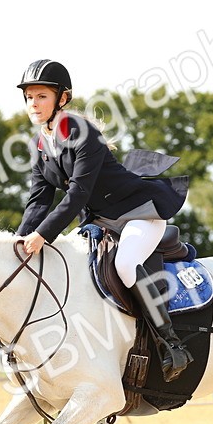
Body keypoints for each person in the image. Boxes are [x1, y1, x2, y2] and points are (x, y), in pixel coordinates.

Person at [15, 59, 193, 382]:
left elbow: (78, 194)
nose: (34, 103)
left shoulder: (82, 134)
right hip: (100, 222)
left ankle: (171, 344)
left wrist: (43, 235)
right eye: (29, 97)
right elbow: (38, 202)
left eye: (41, 96)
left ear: (62, 99)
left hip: (138, 212)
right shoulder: (40, 145)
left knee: (125, 265)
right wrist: (19, 241)